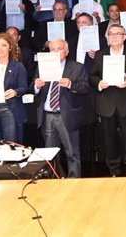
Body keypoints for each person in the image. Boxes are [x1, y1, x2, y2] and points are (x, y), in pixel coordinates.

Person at [89, 25, 126, 177]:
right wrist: (99, 83)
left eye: (118, 34)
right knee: (109, 140)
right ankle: (114, 170)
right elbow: (91, 76)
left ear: (124, 37)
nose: (114, 37)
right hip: (106, 103)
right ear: (107, 37)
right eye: (111, 34)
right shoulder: (100, 55)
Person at [33, 39, 91, 178]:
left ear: (66, 51)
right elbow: (33, 88)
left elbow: (85, 88)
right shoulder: (42, 67)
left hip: (67, 115)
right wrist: (36, 86)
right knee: (50, 153)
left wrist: (71, 84)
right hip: (47, 115)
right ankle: (54, 179)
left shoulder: (77, 67)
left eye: (59, 49)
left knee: (72, 152)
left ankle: (74, 181)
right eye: (52, 49)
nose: (55, 52)